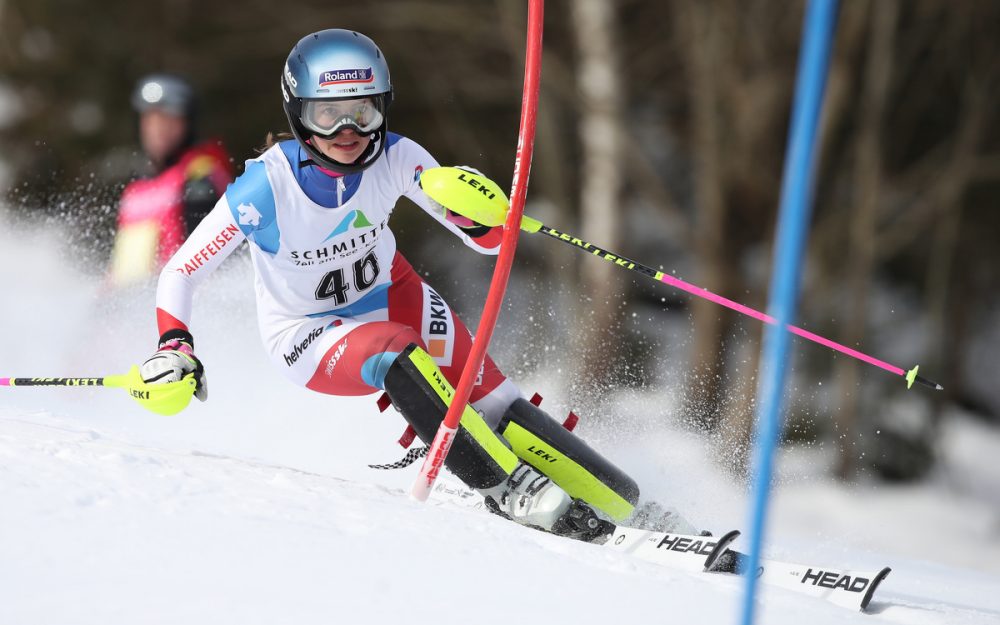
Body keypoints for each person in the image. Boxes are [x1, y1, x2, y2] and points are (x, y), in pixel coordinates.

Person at [137, 30, 667, 542]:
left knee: (496, 402)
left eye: (362, 111)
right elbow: (182, 270)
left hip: (396, 294)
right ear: (299, 112)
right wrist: (176, 347)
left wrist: (485, 215)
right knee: (395, 353)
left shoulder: (398, 155)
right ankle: (510, 488)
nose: (348, 131)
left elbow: (484, 243)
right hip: (308, 334)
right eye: (329, 114)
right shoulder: (265, 188)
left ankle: (630, 506)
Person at [108, 73, 234, 287]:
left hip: (173, 307)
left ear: (186, 124)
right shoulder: (137, 187)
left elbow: (213, 266)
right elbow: (121, 269)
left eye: (167, 120)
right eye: (150, 119)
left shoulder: (200, 178)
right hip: (129, 309)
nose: (157, 129)